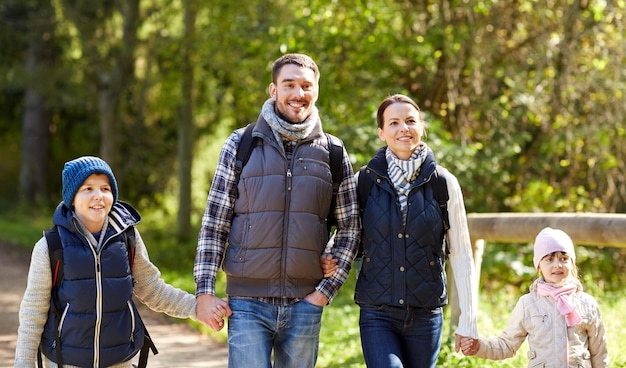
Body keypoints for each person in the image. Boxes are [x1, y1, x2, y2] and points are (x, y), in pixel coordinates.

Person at [193, 53, 361, 368]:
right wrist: (204, 292)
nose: (299, 93)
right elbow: (215, 224)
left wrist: (325, 290)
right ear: (274, 90)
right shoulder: (240, 144)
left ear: (316, 90)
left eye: (306, 86)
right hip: (246, 304)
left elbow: (350, 227)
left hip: (305, 303)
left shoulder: (334, 153)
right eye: (290, 85)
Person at [325, 93, 478, 368]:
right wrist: (328, 255)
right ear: (382, 132)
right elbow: (345, 232)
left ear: (422, 127)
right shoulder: (363, 181)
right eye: (393, 123)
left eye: (410, 121)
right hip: (377, 312)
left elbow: (462, 254)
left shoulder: (444, 183)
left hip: (426, 313)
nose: (403, 128)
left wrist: (469, 320)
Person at [14, 156, 200, 368]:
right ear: (72, 197)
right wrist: (24, 364)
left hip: (119, 360)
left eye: (105, 188)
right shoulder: (51, 246)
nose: (98, 196)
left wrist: (197, 307)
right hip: (67, 362)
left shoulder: (128, 238)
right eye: (88, 188)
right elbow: (33, 312)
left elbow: (152, 289)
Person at [460, 227, 609, 367]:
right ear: (539, 266)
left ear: (572, 263)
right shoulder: (528, 304)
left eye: (564, 258)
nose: (557, 265)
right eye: (549, 259)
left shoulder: (587, 304)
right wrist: (478, 346)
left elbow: (599, 352)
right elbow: (506, 345)